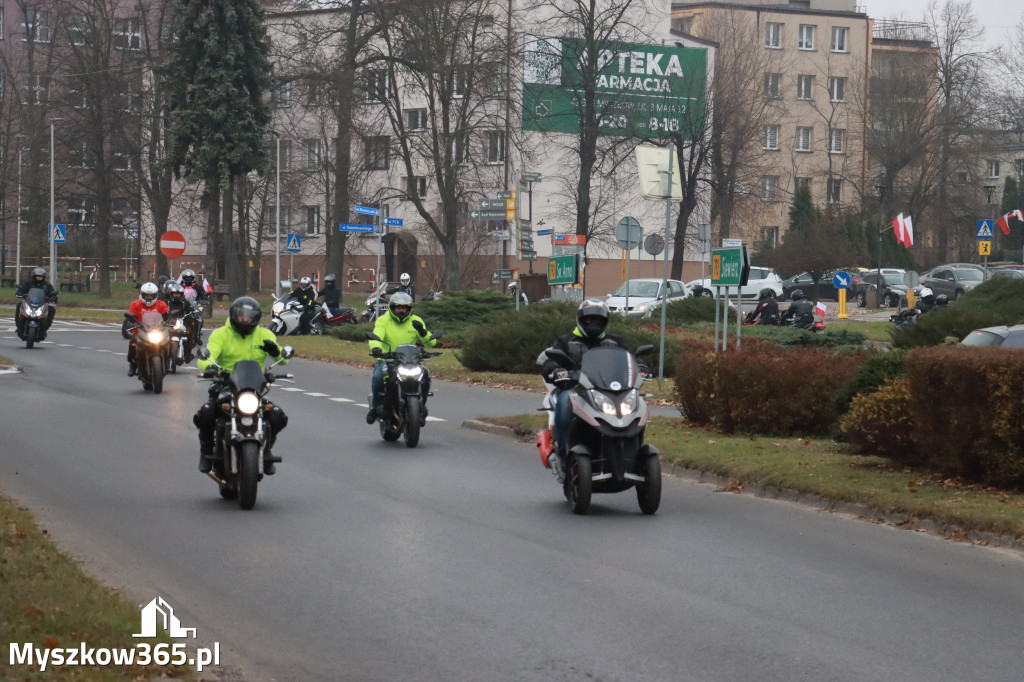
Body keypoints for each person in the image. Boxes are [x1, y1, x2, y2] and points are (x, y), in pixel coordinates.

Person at [194, 297, 289, 475]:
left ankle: (267, 448)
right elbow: (207, 355)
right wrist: (210, 367)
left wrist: (275, 351)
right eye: (242, 316)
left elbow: (281, 361)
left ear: (256, 318)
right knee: (207, 413)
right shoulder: (221, 334)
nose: (245, 320)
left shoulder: (265, 334)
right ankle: (206, 450)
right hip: (225, 383)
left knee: (277, 416)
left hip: (253, 386)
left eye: (249, 317)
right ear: (234, 315)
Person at [537, 299, 627, 468]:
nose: (594, 323)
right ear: (581, 319)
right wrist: (556, 370)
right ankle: (563, 453)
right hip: (575, 390)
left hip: (609, 392)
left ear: (605, 321)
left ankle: (631, 453)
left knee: (637, 406)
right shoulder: (566, 341)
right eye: (589, 319)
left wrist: (641, 368)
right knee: (564, 402)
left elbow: (630, 361)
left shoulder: (615, 342)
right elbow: (550, 361)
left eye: (598, 320)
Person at [366, 292, 437, 424]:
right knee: (377, 377)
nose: (401, 310)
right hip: (389, 360)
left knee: (425, 376)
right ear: (392, 308)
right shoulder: (383, 320)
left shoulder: (416, 320)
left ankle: (421, 407)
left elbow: (431, 343)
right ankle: (375, 408)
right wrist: (376, 348)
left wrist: (422, 331)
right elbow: (377, 337)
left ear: (409, 308)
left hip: (411, 361)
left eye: (404, 308)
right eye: (398, 307)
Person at [126, 282, 170, 377]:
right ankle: (133, 364)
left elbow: (167, 316)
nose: (148, 297)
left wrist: (171, 320)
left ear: (155, 295)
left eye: (151, 296)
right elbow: (130, 317)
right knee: (132, 343)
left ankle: (167, 361)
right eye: (146, 295)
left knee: (168, 341)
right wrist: (129, 323)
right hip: (140, 331)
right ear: (142, 294)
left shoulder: (161, 304)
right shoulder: (135, 304)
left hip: (157, 330)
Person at [15, 267, 58, 339]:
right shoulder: (28, 283)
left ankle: (44, 330)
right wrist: (21, 294)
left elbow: (52, 294)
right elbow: (20, 290)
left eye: (41, 276)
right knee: (19, 305)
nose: (39, 278)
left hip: (42, 305)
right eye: (37, 276)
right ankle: (19, 327)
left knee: (51, 309)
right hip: (29, 303)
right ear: (34, 276)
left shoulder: (47, 285)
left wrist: (52, 298)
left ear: (43, 277)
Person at [165, 282, 200, 362]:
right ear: (171, 294)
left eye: (178, 294)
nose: (177, 295)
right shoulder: (167, 302)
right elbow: (161, 310)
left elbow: (191, 309)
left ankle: (187, 354)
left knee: (189, 333)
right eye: (175, 294)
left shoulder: (185, 302)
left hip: (182, 322)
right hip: (168, 323)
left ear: (181, 294)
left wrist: (194, 313)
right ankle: (161, 353)